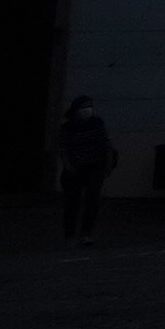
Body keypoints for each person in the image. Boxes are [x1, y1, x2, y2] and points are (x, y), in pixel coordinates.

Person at [57, 96, 117, 245]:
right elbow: (63, 149)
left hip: (95, 167)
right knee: (73, 202)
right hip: (75, 168)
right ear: (76, 110)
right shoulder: (68, 128)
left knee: (92, 201)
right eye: (84, 107)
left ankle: (86, 234)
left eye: (89, 106)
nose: (87, 110)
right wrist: (68, 165)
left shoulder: (97, 123)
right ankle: (69, 235)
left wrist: (108, 163)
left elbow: (106, 143)